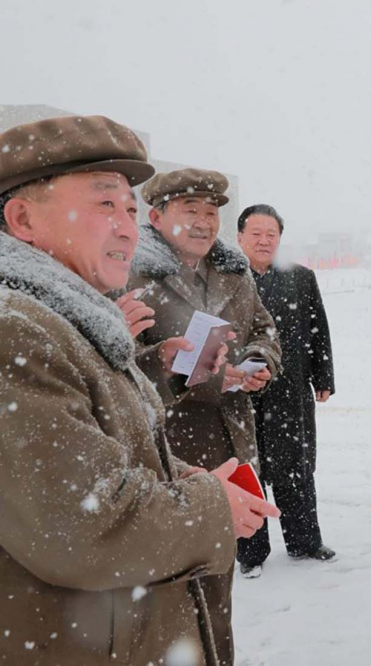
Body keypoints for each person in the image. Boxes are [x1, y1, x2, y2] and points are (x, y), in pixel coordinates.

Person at [0, 115, 278, 666]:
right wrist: (205, 503)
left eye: (129, 209)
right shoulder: (19, 329)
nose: (125, 227)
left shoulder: (66, 315)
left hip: (121, 616)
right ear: (22, 218)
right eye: (105, 205)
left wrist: (175, 473)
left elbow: (93, 443)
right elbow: (80, 522)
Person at [127, 169, 283, 666]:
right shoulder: (130, 275)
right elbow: (119, 364)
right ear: (156, 217)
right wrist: (211, 376)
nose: (203, 222)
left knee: (218, 583)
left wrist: (260, 363)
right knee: (165, 589)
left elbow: (264, 326)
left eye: (211, 213)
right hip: (169, 446)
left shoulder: (233, 272)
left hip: (231, 443)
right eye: (189, 211)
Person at [236, 203, 336, 577]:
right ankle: (251, 550)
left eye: (271, 235)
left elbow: (317, 331)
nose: (264, 241)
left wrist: (323, 376)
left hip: (290, 388)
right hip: (239, 391)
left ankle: (305, 541)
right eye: (256, 234)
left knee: (296, 466)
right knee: (248, 469)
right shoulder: (226, 278)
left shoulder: (300, 278)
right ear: (239, 236)